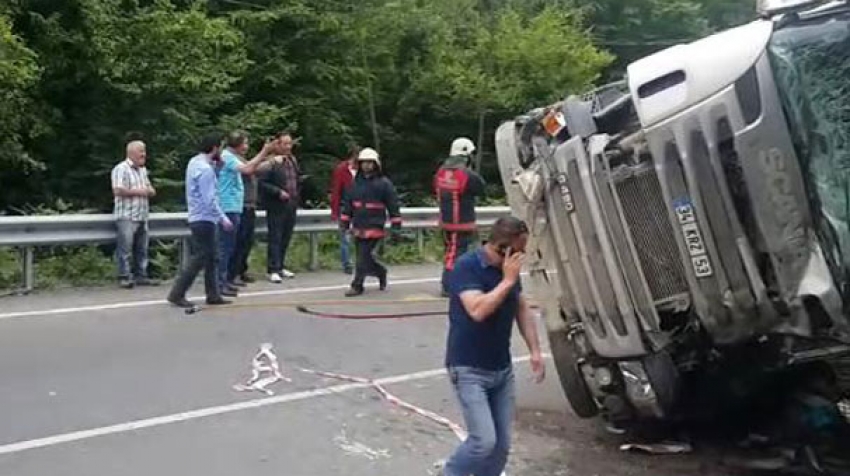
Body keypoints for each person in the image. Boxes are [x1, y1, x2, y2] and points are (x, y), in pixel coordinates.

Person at [440, 216, 545, 476]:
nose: (522, 258)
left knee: (501, 446)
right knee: (483, 441)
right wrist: (507, 281)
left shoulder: (509, 269)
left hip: (500, 368)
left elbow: (521, 307)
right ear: (502, 249)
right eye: (519, 252)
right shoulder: (467, 267)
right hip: (468, 367)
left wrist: (534, 350)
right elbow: (477, 310)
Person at [167, 133, 234, 309]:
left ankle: (213, 294)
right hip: (205, 218)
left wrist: (217, 169)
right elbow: (209, 199)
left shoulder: (194, 163)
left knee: (212, 257)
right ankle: (177, 293)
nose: (221, 150)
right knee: (201, 257)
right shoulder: (205, 170)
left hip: (197, 216)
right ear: (214, 148)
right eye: (220, 147)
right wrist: (223, 218)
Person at [339, 147, 402, 297]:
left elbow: (393, 205)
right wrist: (345, 221)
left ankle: (357, 286)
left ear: (376, 164)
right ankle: (380, 271)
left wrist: (396, 226)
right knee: (364, 257)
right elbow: (348, 203)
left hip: (375, 225)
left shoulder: (384, 184)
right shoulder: (355, 183)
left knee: (362, 257)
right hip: (359, 225)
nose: (367, 166)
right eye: (364, 163)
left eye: (370, 163)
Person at [216, 131, 273, 295]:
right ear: (238, 144)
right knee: (225, 247)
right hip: (227, 205)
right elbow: (248, 169)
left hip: (235, 206)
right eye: (245, 143)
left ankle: (226, 279)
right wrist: (264, 151)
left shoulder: (231, 157)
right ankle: (221, 282)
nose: (247, 146)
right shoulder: (227, 156)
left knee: (232, 245)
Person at [435, 137, 486, 297]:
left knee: (454, 252)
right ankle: (448, 285)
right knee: (455, 256)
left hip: (446, 221)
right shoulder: (466, 175)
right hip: (462, 222)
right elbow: (481, 188)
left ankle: (467, 282)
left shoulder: (441, 172)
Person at [111, 140, 158, 289]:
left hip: (142, 215)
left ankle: (141, 275)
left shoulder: (143, 171)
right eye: (140, 151)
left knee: (141, 249)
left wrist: (148, 191)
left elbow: (151, 189)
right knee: (125, 248)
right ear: (131, 153)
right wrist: (140, 191)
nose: (144, 154)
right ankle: (124, 276)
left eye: (144, 151)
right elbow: (118, 190)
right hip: (127, 215)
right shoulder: (121, 169)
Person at [258, 133, 301, 283]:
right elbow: (261, 183)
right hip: (276, 204)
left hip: (292, 203)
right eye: (285, 144)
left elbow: (296, 178)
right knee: (275, 236)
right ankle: (273, 268)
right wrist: (277, 192)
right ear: (277, 145)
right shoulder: (270, 163)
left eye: (290, 144)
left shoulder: (292, 160)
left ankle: (281, 265)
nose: (288, 147)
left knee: (286, 236)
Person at [329, 145, 360, 274]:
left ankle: (362, 262)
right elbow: (336, 190)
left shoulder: (365, 171)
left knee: (360, 236)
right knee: (345, 237)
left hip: (360, 207)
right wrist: (335, 210)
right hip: (345, 206)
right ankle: (347, 263)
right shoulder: (342, 169)